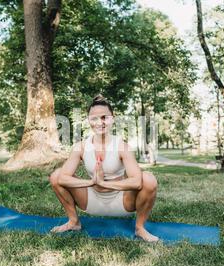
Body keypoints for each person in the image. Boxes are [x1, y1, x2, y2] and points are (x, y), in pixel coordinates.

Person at [48, 94, 159, 242]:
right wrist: (91, 182)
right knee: (56, 175)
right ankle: (74, 222)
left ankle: (139, 228)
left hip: (121, 202)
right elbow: (62, 178)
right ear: (89, 120)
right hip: (91, 200)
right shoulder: (80, 147)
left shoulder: (122, 146)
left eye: (104, 117)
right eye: (94, 118)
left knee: (149, 179)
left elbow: (137, 181)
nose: (100, 122)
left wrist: (104, 183)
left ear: (112, 118)